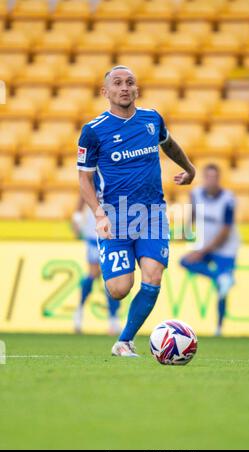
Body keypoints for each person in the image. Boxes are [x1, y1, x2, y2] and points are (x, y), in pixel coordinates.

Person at [77, 65, 195, 356]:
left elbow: (169, 144)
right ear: (106, 92)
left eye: (130, 82)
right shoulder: (93, 131)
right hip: (115, 217)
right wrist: (99, 214)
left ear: (137, 89)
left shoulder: (151, 119)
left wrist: (189, 169)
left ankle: (124, 341)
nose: (125, 87)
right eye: (117, 83)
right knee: (119, 288)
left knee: (153, 277)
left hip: (153, 214)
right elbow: (85, 178)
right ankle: (113, 285)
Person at [180, 164, 240, 336]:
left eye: (215, 177)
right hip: (204, 246)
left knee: (222, 292)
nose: (211, 180)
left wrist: (202, 251)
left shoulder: (228, 199)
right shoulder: (196, 194)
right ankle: (219, 277)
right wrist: (186, 233)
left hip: (226, 249)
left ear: (219, 179)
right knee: (184, 261)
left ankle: (219, 328)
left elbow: (226, 231)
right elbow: (191, 215)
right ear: (204, 178)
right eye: (208, 177)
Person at [72, 195, 121, 335]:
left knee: (113, 277)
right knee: (93, 274)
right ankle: (79, 311)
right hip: (94, 232)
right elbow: (82, 196)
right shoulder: (93, 176)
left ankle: (113, 318)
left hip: (114, 232)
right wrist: (76, 218)